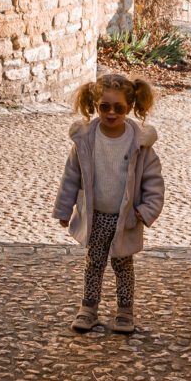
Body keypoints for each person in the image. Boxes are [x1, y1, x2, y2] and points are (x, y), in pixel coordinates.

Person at [53, 71, 164, 334]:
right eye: (104, 107)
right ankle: (88, 309)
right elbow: (71, 176)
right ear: (95, 106)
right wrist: (64, 208)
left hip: (126, 217)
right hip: (96, 214)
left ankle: (125, 312)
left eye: (118, 108)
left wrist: (146, 211)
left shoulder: (139, 144)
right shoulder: (86, 141)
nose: (111, 113)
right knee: (94, 262)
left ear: (130, 107)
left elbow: (154, 181)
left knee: (123, 265)